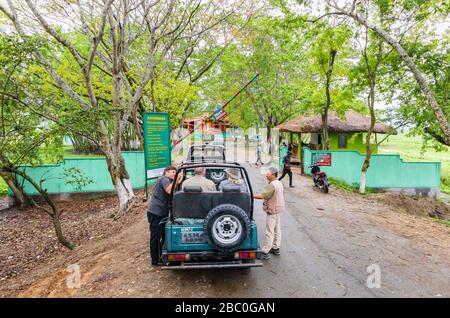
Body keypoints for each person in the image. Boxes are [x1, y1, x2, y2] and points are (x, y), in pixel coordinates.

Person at [147, 166, 183, 266]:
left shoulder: (168, 180)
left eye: (175, 172)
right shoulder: (163, 179)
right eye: (172, 172)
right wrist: (177, 179)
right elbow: (169, 190)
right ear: (166, 172)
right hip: (156, 212)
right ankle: (155, 260)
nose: (174, 174)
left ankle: (160, 257)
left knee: (162, 235)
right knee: (155, 236)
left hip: (161, 213)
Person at [253, 167, 285, 260]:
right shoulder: (279, 183)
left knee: (269, 231)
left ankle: (265, 251)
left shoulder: (272, 185)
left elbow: (263, 195)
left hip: (272, 210)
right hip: (278, 209)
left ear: (273, 175)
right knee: (277, 229)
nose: (266, 175)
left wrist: (251, 195)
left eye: (268, 173)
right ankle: (276, 248)